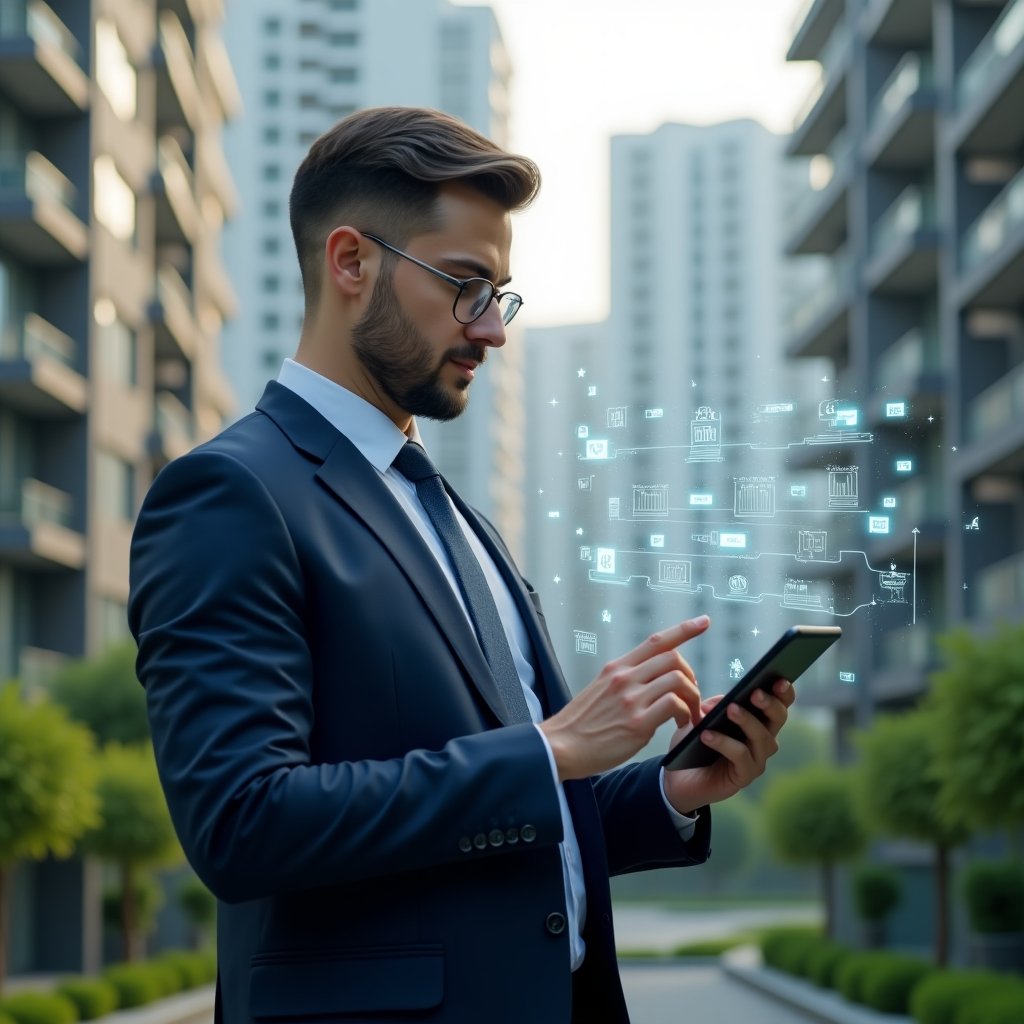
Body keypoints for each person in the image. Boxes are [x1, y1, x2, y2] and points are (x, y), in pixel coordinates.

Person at [128, 106, 794, 1024]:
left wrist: (671, 790)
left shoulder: (459, 518)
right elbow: (243, 821)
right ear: (351, 262)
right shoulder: (229, 496)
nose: (493, 330)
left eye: (501, 295)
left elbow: (514, 819)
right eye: (466, 286)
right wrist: (553, 746)